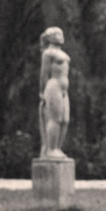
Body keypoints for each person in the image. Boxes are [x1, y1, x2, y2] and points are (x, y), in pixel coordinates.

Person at [39, 27, 71, 159]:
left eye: (61, 33)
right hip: (53, 86)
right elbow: (44, 74)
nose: (60, 36)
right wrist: (42, 92)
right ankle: (51, 149)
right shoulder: (48, 53)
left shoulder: (62, 53)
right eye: (56, 34)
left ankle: (58, 147)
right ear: (50, 37)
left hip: (63, 89)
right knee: (55, 119)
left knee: (65, 120)